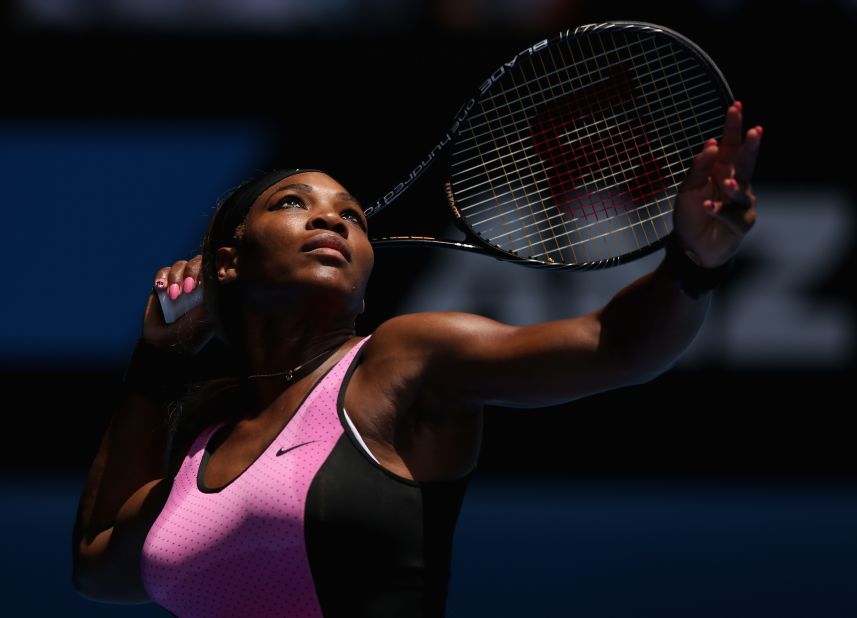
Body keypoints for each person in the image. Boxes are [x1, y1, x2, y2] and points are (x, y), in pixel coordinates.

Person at [71, 102, 761, 617]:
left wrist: (691, 263)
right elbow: (99, 566)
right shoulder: (203, 444)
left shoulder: (400, 361)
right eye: (293, 203)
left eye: (351, 216)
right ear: (228, 261)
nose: (331, 219)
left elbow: (618, 347)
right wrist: (156, 365)